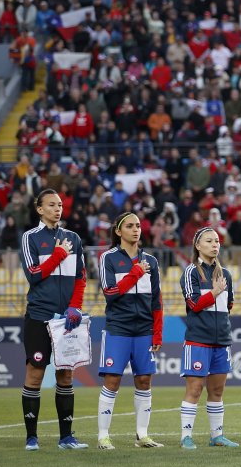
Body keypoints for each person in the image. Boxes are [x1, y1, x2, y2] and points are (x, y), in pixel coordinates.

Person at [18, 189, 88, 451]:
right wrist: (58, 255)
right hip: (39, 316)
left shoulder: (73, 238)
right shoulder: (30, 238)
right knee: (35, 374)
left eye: (60, 205)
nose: (57, 209)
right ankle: (31, 438)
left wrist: (75, 308)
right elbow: (34, 275)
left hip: (66, 321)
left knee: (65, 376)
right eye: (51, 205)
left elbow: (81, 277)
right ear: (39, 209)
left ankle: (66, 437)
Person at [97, 212, 164, 450]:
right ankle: (103, 436)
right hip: (119, 327)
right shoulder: (108, 258)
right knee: (113, 380)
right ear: (118, 231)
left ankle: (142, 435)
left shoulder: (152, 262)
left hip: (144, 330)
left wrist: (157, 332)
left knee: (144, 380)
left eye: (138, 226)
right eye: (129, 226)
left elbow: (156, 300)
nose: (136, 230)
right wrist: (135, 273)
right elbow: (110, 293)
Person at [179, 227, 238, 450]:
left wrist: (218, 294)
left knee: (217, 391)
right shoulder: (191, 273)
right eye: (209, 241)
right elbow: (194, 305)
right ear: (198, 245)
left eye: (217, 241)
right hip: (198, 340)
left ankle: (217, 436)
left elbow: (229, 305)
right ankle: (186, 436)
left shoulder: (226, 275)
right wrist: (213, 293)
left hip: (222, 340)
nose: (215, 244)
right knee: (194, 390)